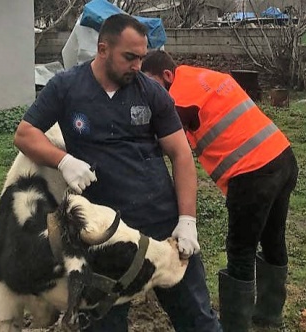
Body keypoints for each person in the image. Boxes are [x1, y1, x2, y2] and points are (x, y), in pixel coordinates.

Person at [14, 14, 222, 332]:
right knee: (103, 322)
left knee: (197, 317)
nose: (137, 66)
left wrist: (187, 221)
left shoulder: (151, 93)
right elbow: (25, 134)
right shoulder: (66, 87)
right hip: (105, 234)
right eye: (129, 57)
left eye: (141, 57)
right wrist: (63, 161)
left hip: (161, 223)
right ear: (103, 49)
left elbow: (181, 154)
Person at [141, 50, 299, 332]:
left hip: (252, 173)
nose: (149, 93)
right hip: (282, 156)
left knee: (240, 250)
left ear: (166, 76)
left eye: (150, 84)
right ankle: (268, 315)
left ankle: (234, 326)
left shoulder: (178, 97)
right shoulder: (201, 76)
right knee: (273, 239)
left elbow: (160, 138)